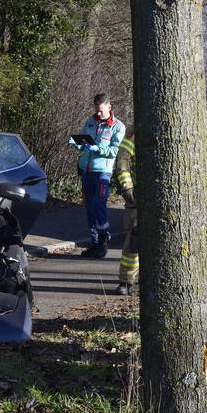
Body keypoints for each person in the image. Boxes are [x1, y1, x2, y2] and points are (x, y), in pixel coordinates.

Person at [75, 93, 125, 258]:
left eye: (101, 110)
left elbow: (114, 151)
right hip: (86, 171)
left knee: (98, 205)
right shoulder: (90, 121)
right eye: (96, 110)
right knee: (89, 208)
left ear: (109, 107)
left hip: (102, 172)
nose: (98, 113)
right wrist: (77, 144)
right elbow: (83, 142)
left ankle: (104, 239)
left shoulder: (117, 126)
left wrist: (99, 149)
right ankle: (94, 243)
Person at [113, 130, 138, 294]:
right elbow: (122, 162)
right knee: (133, 241)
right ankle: (126, 280)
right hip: (137, 196)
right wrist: (128, 189)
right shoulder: (135, 132)